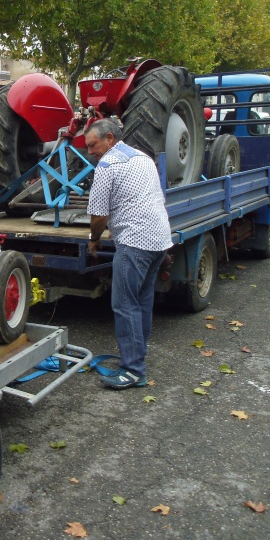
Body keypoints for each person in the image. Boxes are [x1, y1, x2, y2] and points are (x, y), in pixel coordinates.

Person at [85, 118, 173, 389]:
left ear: (110, 138)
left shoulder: (108, 165)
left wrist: (94, 239)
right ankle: (137, 358)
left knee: (124, 305)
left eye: (93, 145)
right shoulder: (143, 158)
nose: (90, 152)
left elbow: (99, 215)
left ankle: (133, 370)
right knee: (141, 303)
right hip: (158, 240)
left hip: (134, 243)